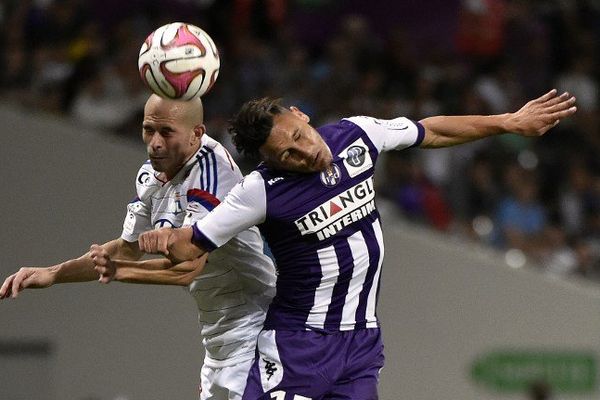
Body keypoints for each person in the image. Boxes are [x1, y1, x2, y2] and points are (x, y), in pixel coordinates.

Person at [137, 89, 577, 399]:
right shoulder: (260, 190)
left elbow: (430, 131)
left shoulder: (356, 135)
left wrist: (509, 122)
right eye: (287, 154)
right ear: (269, 162)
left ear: (300, 114)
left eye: (298, 137)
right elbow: (193, 244)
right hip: (299, 344)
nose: (304, 152)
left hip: (361, 345)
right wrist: (162, 236)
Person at [0, 94, 277, 400]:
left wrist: (119, 272)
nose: (155, 143)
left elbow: (187, 268)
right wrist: (53, 273)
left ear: (196, 133)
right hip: (219, 338)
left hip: (259, 330)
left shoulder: (213, 174)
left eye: (166, 132)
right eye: (148, 130)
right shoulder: (150, 174)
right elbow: (126, 248)